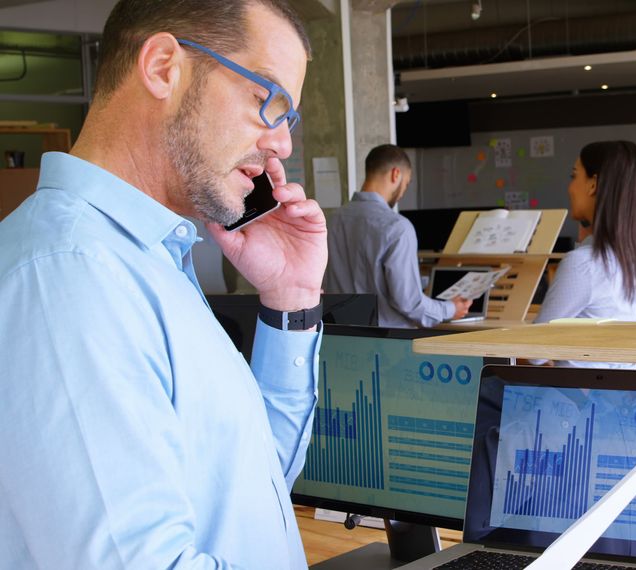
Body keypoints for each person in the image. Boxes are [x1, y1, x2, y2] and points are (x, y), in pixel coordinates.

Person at [0, 1, 325, 567]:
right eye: (266, 99)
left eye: (287, 117)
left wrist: (290, 300)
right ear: (162, 68)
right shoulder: (69, 275)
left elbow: (253, 484)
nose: (282, 145)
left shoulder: (153, 259)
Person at [532, 140, 636, 367]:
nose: (570, 188)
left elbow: (534, 353)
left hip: (575, 398)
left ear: (593, 184)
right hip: (622, 394)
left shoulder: (583, 264)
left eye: (574, 176)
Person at [324, 144, 469, 327]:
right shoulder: (397, 227)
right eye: (406, 184)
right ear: (396, 174)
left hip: (340, 337)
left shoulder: (331, 221)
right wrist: (450, 309)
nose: (402, 193)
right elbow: (409, 303)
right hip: (387, 344)